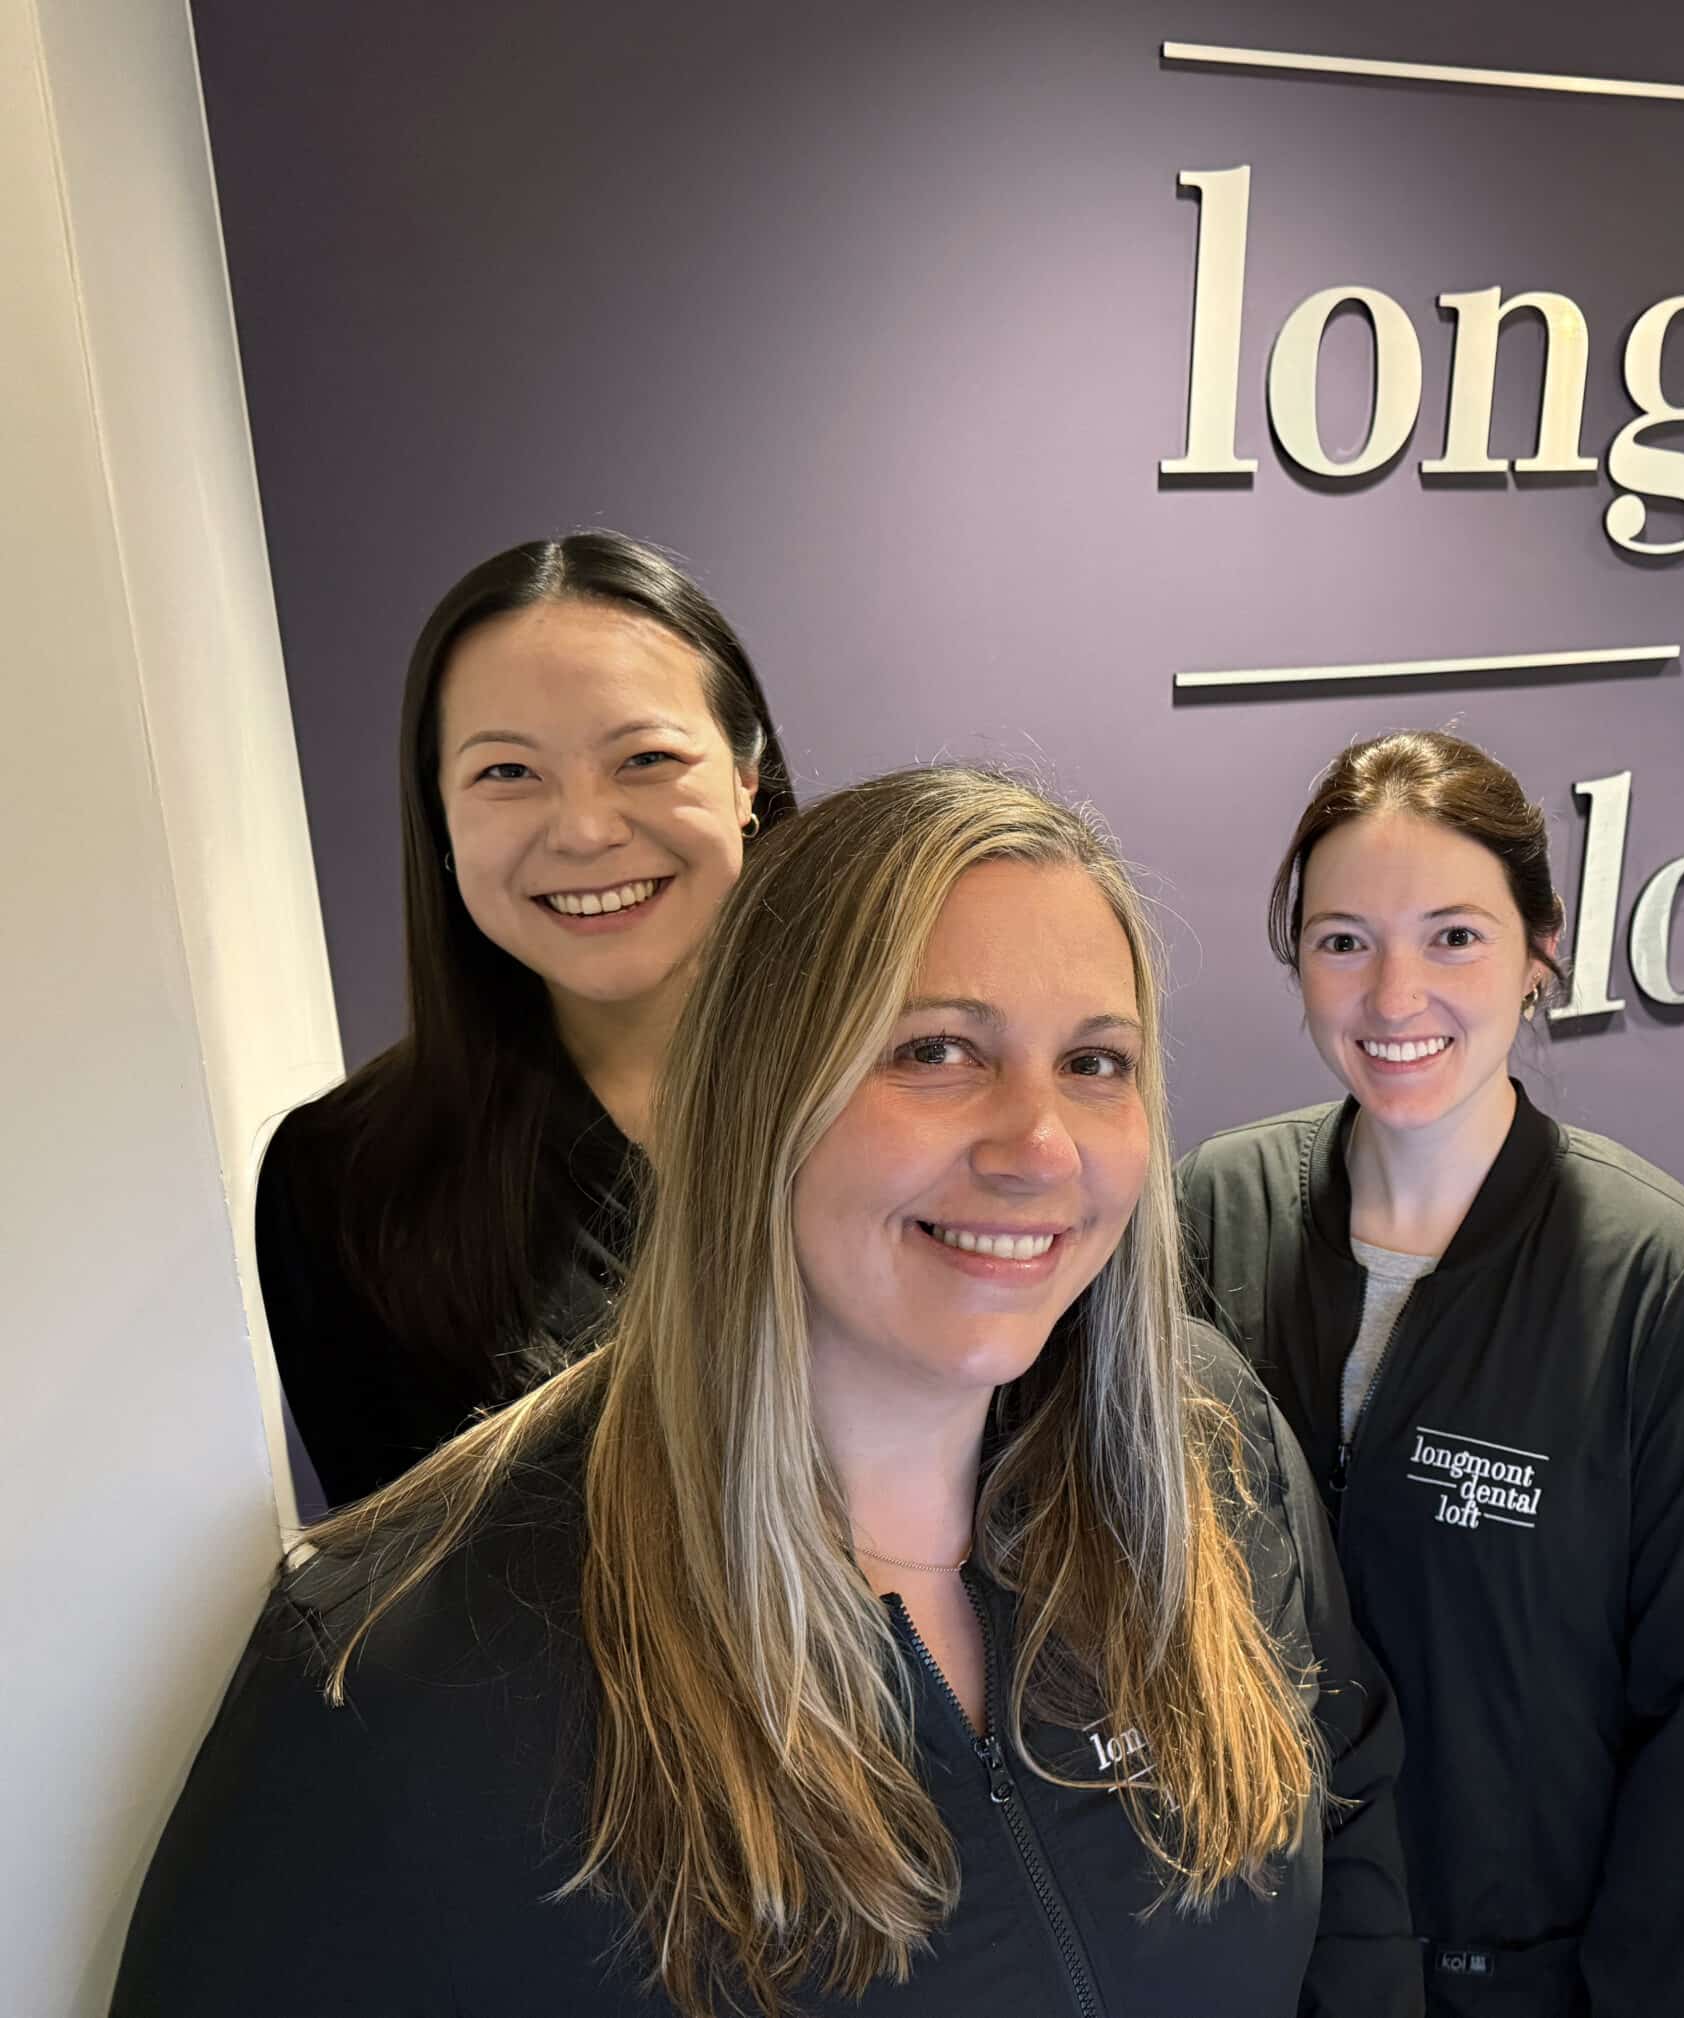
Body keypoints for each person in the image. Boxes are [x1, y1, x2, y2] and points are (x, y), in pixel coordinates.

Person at [117, 768, 1422, 2018]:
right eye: (936, 1050)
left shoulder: (1210, 1443)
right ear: (759, 1096)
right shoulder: (397, 1660)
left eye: (1095, 1062)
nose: (1039, 1145)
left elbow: (1347, 1815)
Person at [1179, 729, 1684, 2017]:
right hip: (1257, 1944)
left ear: (1539, 948)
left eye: (1453, 934)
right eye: (1343, 939)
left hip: (1508, 1978)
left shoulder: (1656, 1279)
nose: (1395, 995)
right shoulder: (1213, 1210)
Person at [255, 532, 797, 1506]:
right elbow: (404, 1586)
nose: (586, 828)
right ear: (441, 819)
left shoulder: (912, 1075)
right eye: (507, 772)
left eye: (645, 757)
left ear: (744, 778)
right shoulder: (346, 1180)